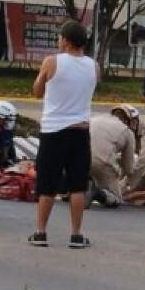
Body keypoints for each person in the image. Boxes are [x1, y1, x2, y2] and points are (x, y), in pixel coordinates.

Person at [29, 21, 99, 248]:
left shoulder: (52, 62)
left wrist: (41, 77)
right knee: (77, 185)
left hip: (53, 131)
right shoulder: (94, 66)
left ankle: (40, 232)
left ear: (66, 41)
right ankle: (76, 234)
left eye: (60, 38)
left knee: (47, 184)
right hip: (80, 131)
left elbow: (37, 93)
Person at [88, 105, 139, 207]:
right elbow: (129, 168)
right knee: (116, 199)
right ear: (128, 120)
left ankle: (74, 190)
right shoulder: (127, 132)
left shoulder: (94, 119)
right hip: (102, 164)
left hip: (79, 161)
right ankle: (99, 193)